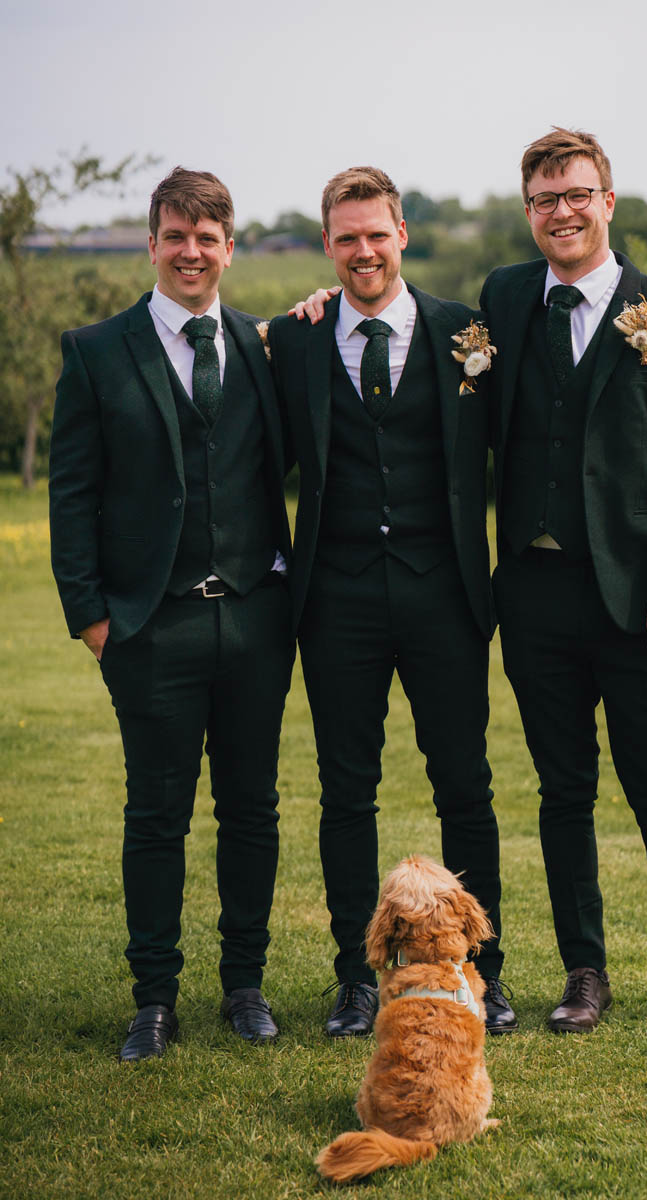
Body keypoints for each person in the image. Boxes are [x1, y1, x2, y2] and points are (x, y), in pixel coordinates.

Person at [480, 128, 647, 1038]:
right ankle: (583, 972)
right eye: (546, 199)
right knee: (563, 791)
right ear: (529, 212)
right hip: (536, 597)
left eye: (577, 194)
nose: (563, 212)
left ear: (608, 202)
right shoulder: (504, 299)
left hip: (639, 598)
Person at [49, 167, 295, 1061]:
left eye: (209, 236)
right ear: (152, 243)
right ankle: (153, 997)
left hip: (257, 621)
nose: (192, 251)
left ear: (230, 248)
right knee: (155, 815)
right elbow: (71, 495)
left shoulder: (263, 347)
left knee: (252, 810)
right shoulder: (96, 351)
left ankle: (246, 987)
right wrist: (92, 615)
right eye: (176, 235)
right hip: (150, 626)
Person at [268, 167, 516, 1038]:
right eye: (346, 238)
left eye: (377, 234)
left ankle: (482, 968)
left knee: (467, 788)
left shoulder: (466, 335)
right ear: (327, 245)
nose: (363, 251)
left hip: (444, 593)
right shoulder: (295, 341)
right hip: (336, 602)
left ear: (401, 234)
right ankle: (355, 978)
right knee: (346, 792)